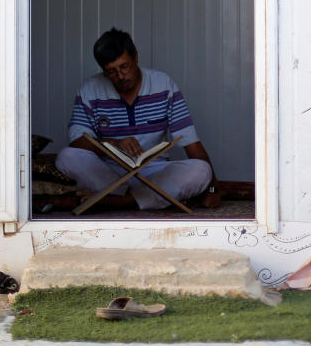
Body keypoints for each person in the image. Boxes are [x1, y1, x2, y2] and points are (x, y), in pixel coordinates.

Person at [55, 28, 216, 211]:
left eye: (125, 67)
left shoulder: (163, 84)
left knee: (201, 170)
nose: (121, 76)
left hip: (154, 171)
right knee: (66, 156)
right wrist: (114, 144)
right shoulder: (90, 89)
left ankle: (118, 201)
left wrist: (213, 189)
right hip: (109, 172)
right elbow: (77, 141)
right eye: (111, 72)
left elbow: (192, 143)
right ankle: (136, 196)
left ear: (136, 57)